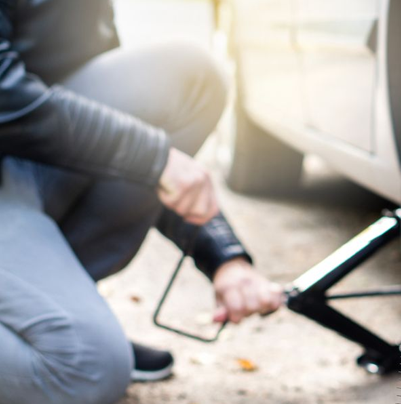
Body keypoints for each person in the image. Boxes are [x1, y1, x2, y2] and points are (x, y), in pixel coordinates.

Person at [0, 2, 285, 403]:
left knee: (188, 76)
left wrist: (224, 257)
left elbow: (112, 137)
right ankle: (52, 333)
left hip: (21, 168)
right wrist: (152, 159)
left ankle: (46, 314)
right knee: (86, 368)